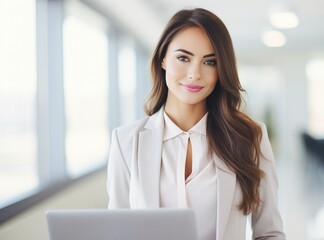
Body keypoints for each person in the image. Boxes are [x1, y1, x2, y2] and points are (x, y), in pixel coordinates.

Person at [107, 8, 286, 240]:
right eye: (183, 58)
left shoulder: (250, 137)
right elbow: (117, 232)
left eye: (210, 62)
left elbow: (269, 233)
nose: (194, 74)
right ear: (163, 58)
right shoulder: (125, 141)